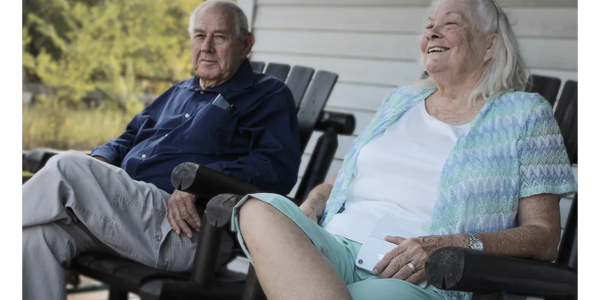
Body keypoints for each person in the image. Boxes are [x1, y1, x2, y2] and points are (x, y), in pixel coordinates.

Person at [232, 0, 578, 299]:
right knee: (258, 208)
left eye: (450, 24)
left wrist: (449, 244)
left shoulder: (524, 114)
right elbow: (352, 176)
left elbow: (544, 237)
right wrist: (313, 202)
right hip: (331, 247)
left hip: (419, 273)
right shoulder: (401, 100)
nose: (432, 33)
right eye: (429, 27)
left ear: (489, 45)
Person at [21, 1, 302, 299]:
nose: (206, 47)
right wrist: (102, 159)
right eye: (199, 35)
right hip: (126, 214)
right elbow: (128, 136)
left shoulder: (267, 94)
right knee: (38, 237)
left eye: (219, 37)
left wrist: (202, 180)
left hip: (185, 230)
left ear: (245, 44)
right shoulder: (180, 91)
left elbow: (275, 167)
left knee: (68, 167)